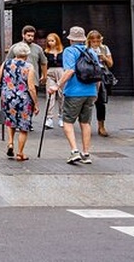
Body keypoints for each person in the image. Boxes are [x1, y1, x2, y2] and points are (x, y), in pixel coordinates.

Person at [57, 26, 99, 165]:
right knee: (85, 123)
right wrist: (96, 92)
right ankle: (86, 153)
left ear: (71, 40)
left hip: (74, 92)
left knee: (67, 121)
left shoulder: (69, 51)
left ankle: (74, 151)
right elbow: (98, 74)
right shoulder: (91, 52)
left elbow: (69, 71)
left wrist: (57, 85)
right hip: (90, 91)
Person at [0, 42, 39, 161]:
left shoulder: (6, 63)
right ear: (27, 54)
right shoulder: (29, 67)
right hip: (23, 98)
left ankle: (10, 143)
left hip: (8, 97)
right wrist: (36, 103)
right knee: (23, 126)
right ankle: (20, 153)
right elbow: (31, 87)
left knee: (10, 121)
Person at [86, 30, 114, 137]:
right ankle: (86, 125)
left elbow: (111, 64)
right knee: (87, 101)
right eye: (93, 41)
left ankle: (101, 126)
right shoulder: (86, 49)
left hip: (101, 75)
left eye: (97, 41)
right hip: (89, 75)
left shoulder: (104, 48)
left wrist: (104, 58)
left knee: (101, 102)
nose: (95, 43)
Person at [43, 33, 65, 130]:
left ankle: (62, 116)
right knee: (50, 95)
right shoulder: (46, 52)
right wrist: (43, 75)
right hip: (50, 71)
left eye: (52, 40)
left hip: (61, 71)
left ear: (57, 41)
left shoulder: (63, 51)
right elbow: (44, 64)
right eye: (49, 41)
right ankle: (49, 118)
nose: (50, 43)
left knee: (62, 95)